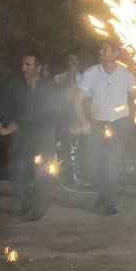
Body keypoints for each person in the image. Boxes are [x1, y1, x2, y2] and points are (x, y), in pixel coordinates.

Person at [0, 51, 63, 221]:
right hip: (21, 134)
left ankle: (37, 209)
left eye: (28, 65)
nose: (24, 68)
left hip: (44, 133)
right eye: (23, 64)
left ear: (38, 68)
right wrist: (8, 123)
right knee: (17, 170)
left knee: (42, 173)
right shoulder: (15, 85)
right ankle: (26, 204)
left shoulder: (50, 87)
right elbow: (4, 106)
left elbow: (54, 111)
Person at [75, 40, 136, 216]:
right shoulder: (91, 73)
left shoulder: (126, 74)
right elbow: (77, 99)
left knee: (111, 163)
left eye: (106, 49)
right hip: (97, 123)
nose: (101, 51)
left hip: (119, 124)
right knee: (93, 164)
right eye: (100, 49)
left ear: (116, 54)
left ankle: (110, 201)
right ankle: (103, 194)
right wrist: (83, 121)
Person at [53, 53, 85, 185]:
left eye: (75, 61)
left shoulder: (83, 78)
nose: (73, 63)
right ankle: (67, 176)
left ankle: (79, 175)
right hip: (64, 117)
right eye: (70, 60)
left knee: (78, 147)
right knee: (65, 147)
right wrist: (69, 76)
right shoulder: (59, 77)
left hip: (79, 116)